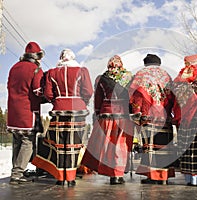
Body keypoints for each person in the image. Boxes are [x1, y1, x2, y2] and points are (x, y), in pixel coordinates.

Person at [32, 49, 93, 187]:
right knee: (73, 145)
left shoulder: (53, 72)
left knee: (59, 145)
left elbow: (48, 93)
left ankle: (60, 177)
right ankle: (71, 178)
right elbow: (88, 91)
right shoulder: (82, 71)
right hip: (77, 111)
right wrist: (82, 101)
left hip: (59, 110)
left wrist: (56, 100)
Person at [81, 55, 134, 185]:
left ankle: (111, 173)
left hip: (106, 115)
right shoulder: (129, 77)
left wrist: (97, 113)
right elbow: (132, 97)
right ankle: (118, 174)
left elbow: (98, 99)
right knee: (121, 145)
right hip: (123, 116)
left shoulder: (101, 78)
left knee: (108, 146)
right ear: (121, 64)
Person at [129, 54, 175, 185]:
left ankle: (152, 176)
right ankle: (163, 175)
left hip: (148, 116)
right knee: (164, 147)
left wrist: (136, 112)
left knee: (150, 148)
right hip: (164, 116)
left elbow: (136, 95)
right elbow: (172, 96)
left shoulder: (141, 74)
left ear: (146, 63)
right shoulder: (166, 75)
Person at [7, 41, 45, 184]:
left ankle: (15, 171)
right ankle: (17, 173)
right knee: (27, 142)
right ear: (37, 56)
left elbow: (8, 86)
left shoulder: (13, 68)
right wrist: (48, 97)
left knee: (16, 141)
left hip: (13, 110)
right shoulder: (35, 69)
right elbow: (37, 90)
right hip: (27, 111)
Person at [172, 54, 197, 186]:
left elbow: (173, 98)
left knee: (186, 148)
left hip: (182, 118)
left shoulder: (179, 78)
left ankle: (189, 179)